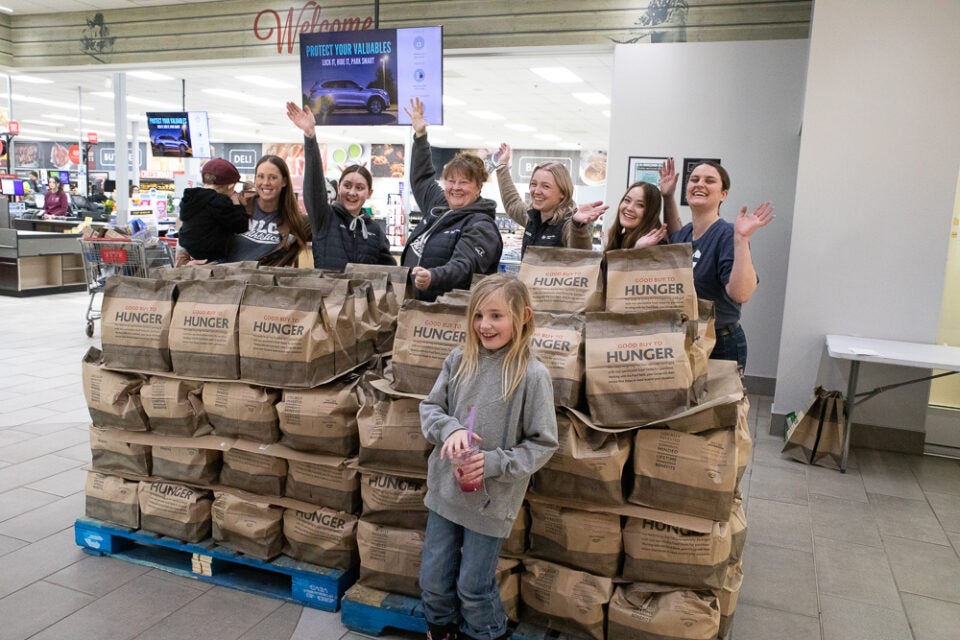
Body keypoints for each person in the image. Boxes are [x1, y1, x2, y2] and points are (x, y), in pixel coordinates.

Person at [418, 274, 558, 640]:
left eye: (496, 316)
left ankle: (486, 635)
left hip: (491, 502)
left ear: (523, 316)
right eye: (478, 316)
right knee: (433, 581)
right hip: (445, 492)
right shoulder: (458, 359)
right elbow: (430, 408)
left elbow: (543, 444)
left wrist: (494, 463)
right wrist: (451, 429)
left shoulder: (532, 376)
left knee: (473, 589)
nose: (485, 325)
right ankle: (441, 631)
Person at [661, 158, 775, 370]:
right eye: (694, 179)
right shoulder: (685, 233)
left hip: (720, 343)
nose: (699, 184)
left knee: (716, 404)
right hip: (687, 338)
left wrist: (742, 238)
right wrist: (667, 196)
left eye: (709, 180)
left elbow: (742, 294)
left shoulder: (727, 234)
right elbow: (673, 232)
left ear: (724, 194)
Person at [402, 97, 503, 301]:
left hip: (447, 316)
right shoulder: (439, 206)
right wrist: (420, 136)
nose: (455, 188)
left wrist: (433, 276)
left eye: (464, 182)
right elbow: (422, 179)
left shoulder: (481, 225)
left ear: (478, 187)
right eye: (451, 180)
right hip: (416, 306)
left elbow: (464, 266)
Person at [286, 101, 394, 270]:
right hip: (328, 294)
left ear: (369, 193)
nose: (352, 192)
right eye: (347, 185)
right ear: (338, 188)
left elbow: (390, 271)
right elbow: (314, 187)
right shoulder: (324, 218)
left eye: (359, 188)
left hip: (362, 297)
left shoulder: (375, 231)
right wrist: (310, 136)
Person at [495, 143, 606, 257]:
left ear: (563, 192)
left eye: (546, 186)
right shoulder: (533, 217)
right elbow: (512, 203)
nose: (537, 191)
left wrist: (577, 226)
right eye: (534, 184)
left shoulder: (568, 223)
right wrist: (502, 165)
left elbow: (580, 254)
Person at [223, 154, 311, 267]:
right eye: (260, 176)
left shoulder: (296, 221)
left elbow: (330, 232)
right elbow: (209, 233)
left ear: (284, 182)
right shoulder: (238, 207)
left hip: (266, 282)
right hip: (228, 280)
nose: (265, 183)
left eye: (273, 177)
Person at [175, 158, 250, 265]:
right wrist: (238, 204)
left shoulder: (190, 199)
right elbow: (241, 226)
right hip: (214, 260)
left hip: (191, 256)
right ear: (231, 185)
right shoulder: (220, 202)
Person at [603, 181, 668, 251]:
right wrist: (608, 248)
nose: (629, 208)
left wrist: (638, 251)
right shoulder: (619, 238)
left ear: (651, 212)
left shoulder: (655, 243)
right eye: (627, 200)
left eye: (640, 205)